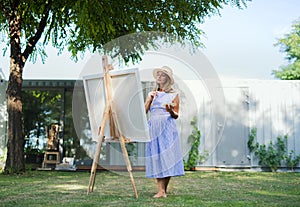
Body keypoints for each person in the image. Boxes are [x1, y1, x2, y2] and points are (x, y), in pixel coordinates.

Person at [144, 66, 185, 198]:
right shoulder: (152, 94)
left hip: (167, 128)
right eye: (158, 75)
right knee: (156, 158)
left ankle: (162, 190)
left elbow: (176, 115)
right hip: (153, 128)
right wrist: (149, 99)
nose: (159, 77)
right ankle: (161, 190)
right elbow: (143, 112)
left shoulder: (174, 95)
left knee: (167, 158)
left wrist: (170, 110)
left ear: (167, 79)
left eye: (162, 75)